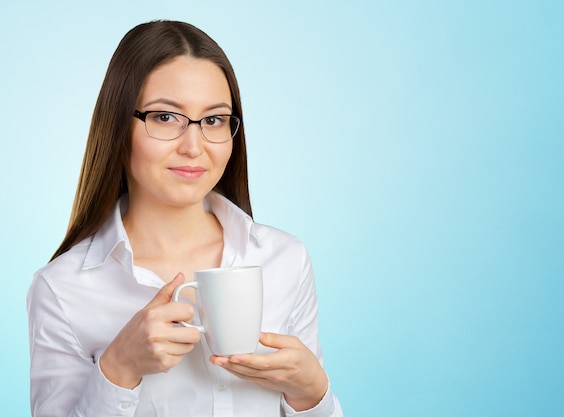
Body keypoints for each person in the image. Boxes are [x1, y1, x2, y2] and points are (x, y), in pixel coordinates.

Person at [27, 20, 344, 417]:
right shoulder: (62, 289)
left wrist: (313, 394)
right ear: (118, 126)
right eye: (165, 117)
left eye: (213, 120)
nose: (193, 147)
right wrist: (118, 369)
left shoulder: (285, 259)